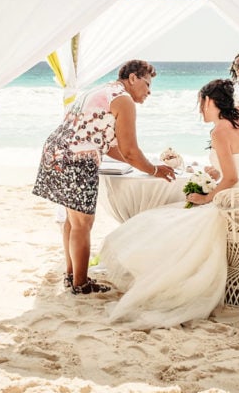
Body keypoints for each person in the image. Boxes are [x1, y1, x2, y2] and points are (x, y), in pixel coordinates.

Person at [99, 78, 239, 329]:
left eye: (201, 103)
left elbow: (232, 177)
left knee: (157, 220)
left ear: (209, 101)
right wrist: (215, 175)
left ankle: (157, 283)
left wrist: (207, 197)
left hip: (232, 201)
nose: (200, 109)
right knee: (170, 217)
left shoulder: (219, 130)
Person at [32, 60, 176, 295]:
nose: (150, 91)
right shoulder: (124, 100)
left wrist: (143, 163)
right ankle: (81, 284)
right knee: (82, 224)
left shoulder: (100, 91)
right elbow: (129, 151)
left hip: (56, 152)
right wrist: (153, 170)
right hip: (76, 160)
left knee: (73, 220)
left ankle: (71, 276)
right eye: (147, 84)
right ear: (132, 78)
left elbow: (110, 146)